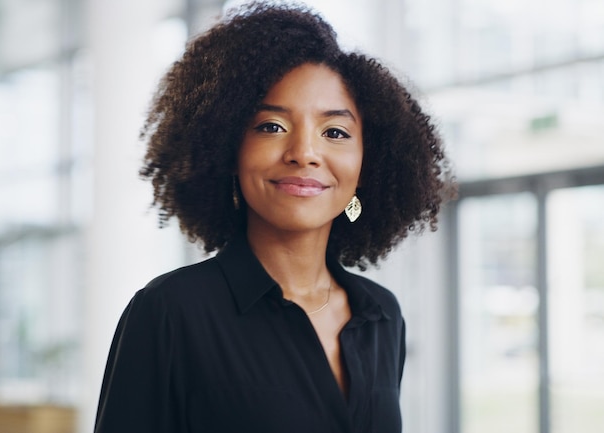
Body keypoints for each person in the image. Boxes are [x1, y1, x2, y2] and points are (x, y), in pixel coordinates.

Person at [94, 2, 454, 433]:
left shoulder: (381, 315)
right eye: (271, 126)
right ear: (228, 148)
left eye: (335, 132)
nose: (304, 152)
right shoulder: (170, 312)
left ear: (367, 165)